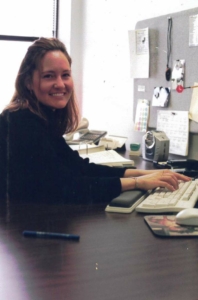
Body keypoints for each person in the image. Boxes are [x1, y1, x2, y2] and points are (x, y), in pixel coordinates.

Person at [0, 37, 190, 205]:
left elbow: (80, 168)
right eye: (49, 76)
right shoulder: (19, 122)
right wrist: (137, 183)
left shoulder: (41, 117)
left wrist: (145, 174)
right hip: (19, 232)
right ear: (27, 82)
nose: (60, 84)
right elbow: (65, 188)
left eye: (65, 75)